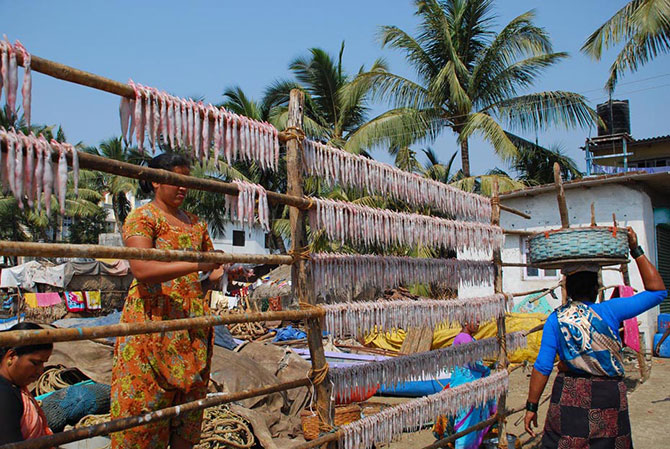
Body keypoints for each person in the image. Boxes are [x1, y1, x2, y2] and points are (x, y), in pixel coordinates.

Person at [110, 153, 225, 449]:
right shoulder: (143, 217)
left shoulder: (196, 224)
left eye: (186, 181)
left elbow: (210, 270)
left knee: (187, 413)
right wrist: (197, 264)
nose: (183, 188)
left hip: (190, 325)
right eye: (176, 181)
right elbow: (143, 269)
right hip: (151, 323)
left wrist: (218, 271)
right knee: (144, 408)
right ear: (157, 181)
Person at [524, 227, 667, 448]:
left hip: (570, 395)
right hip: (607, 396)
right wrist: (635, 248)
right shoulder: (611, 310)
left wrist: (531, 407)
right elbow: (658, 291)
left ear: (568, 289)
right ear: (596, 287)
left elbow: (542, 366)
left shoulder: (556, 319)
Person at [433, 321, 495, 449]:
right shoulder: (464, 338)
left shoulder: (470, 338)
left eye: (479, 321)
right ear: (466, 322)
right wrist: (486, 370)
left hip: (469, 384)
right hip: (465, 386)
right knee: (466, 421)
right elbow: (472, 362)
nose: (478, 323)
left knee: (469, 419)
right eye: (475, 321)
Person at [0, 322, 54, 444]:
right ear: (12, 356)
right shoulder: (4, 396)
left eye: (43, 363)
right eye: (35, 363)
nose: (40, 371)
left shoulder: (14, 388)